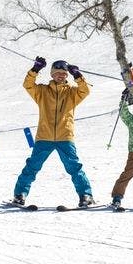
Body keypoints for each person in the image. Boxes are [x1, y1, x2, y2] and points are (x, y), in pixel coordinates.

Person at [13, 58, 94, 207]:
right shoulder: (42, 91)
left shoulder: (72, 93)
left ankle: (86, 195)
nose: (60, 76)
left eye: (63, 74)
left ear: (66, 76)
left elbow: (85, 90)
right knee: (32, 166)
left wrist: (78, 76)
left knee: (74, 167)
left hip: (65, 136)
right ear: (52, 75)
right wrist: (35, 70)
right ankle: (20, 194)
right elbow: (28, 85)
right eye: (57, 73)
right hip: (44, 136)